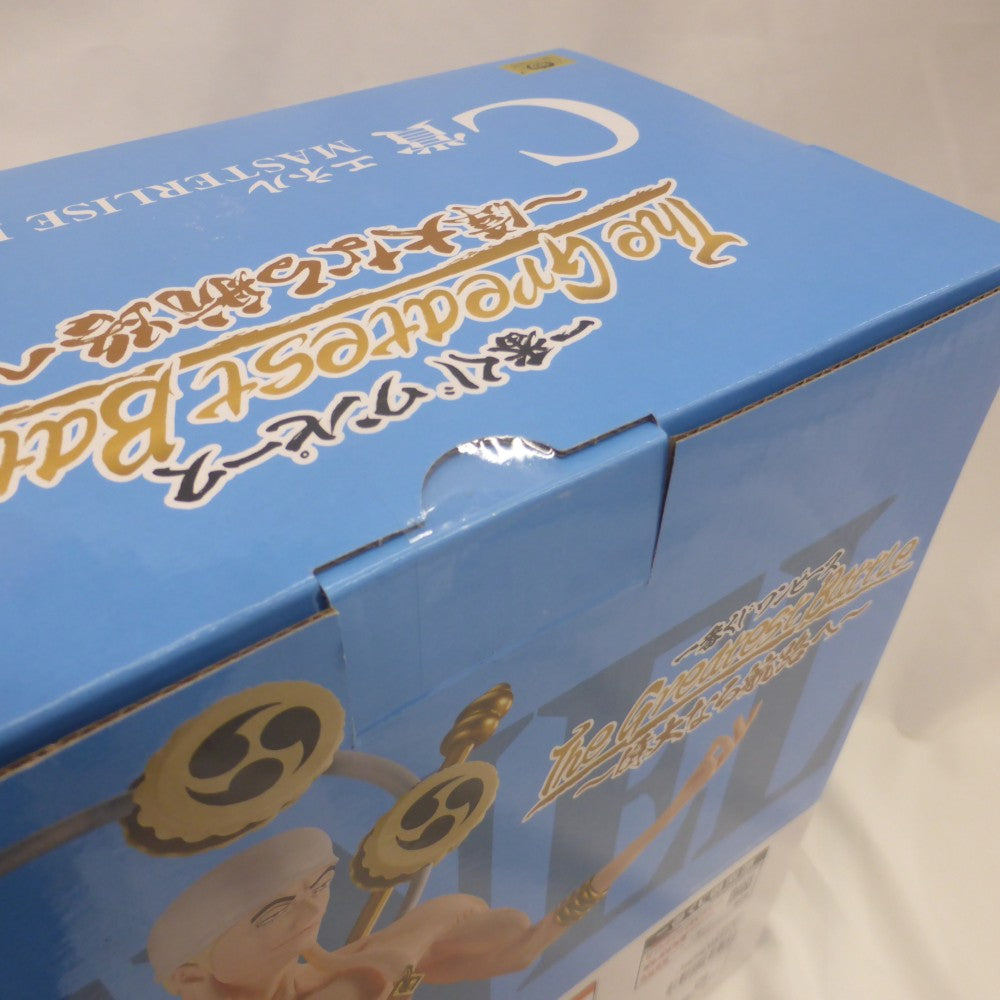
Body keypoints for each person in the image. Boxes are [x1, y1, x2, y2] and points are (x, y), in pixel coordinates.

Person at [148, 709, 757, 999]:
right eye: (272, 911)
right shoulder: (352, 970)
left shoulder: (359, 958)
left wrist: (686, 795)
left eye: (319, 885)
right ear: (191, 977)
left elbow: (531, 942)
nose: (311, 912)